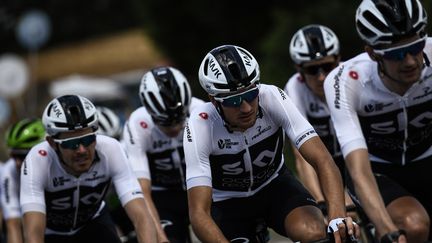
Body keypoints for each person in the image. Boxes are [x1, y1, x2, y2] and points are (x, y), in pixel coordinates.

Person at [184, 44, 359, 242]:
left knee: (314, 233)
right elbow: (198, 213)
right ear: (214, 100)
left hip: (275, 186)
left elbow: (323, 160)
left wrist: (337, 217)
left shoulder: (272, 97)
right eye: (234, 101)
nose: (246, 107)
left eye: (251, 94)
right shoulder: (200, 124)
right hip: (228, 202)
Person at [323, 0, 431, 242]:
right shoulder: (346, 81)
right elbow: (358, 169)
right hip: (378, 169)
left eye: (416, 48)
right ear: (372, 53)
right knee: (413, 226)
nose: (411, 61)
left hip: (426, 158)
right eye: (396, 54)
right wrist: (386, 230)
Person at [19, 94, 157, 243]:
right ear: (52, 143)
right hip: (52, 233)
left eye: (88, 139)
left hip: (94, 224)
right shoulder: (38, 160)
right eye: (71, 143)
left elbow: (141, 216)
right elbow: (33, 233)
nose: (82, 150)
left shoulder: (111, 149)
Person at [123, 66, 204, 243]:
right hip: (163, 196)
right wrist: (161, 237)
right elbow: (142, 191)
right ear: (150, 112)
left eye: (180, 119)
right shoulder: (137, 124)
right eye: (166, 122)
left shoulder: (199, 109)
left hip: (200, 188)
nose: (175, 127)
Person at [284, 24, 344, 204]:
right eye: (312, 70)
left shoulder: (351, 77)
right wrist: (320, 203)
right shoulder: (294, 89)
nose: (321, 77)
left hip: (353, 158)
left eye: (327, 66)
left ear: (338, 60)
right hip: (319, 164)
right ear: (299, 70)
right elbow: (301, 158)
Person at [1, 118, 46, 243]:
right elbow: (13, 224)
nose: (17, 163)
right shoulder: (9, 171)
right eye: (14, 155)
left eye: (22, 156)